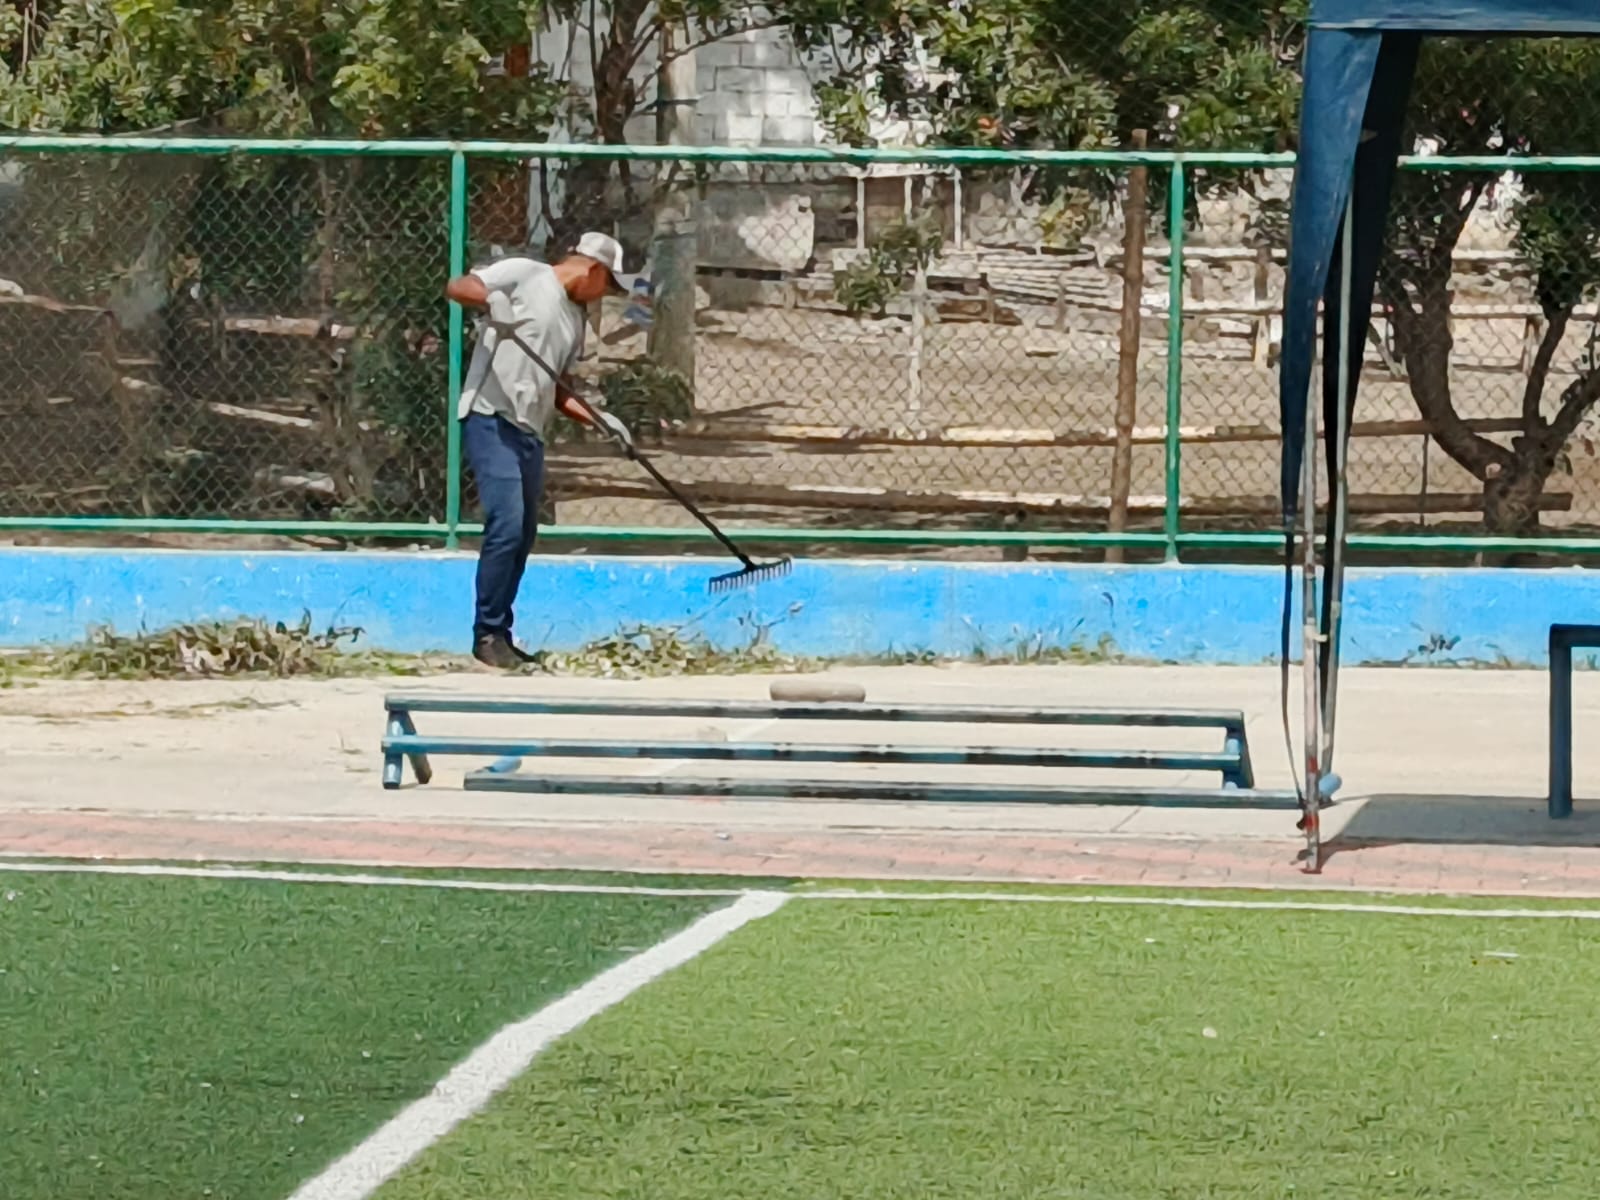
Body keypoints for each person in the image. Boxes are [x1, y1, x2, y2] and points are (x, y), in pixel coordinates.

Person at [444, 231, 636, 670]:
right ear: (592, 269)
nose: (603, 295)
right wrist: (492, 301)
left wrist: (602, 420)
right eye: (607, 284)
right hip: (490, 416)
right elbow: (458, 286)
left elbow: (559, 389)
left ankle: (501, 634)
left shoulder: (575, 322)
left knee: (524, 533)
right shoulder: (526, 273)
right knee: (507, 523)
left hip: (530, 431)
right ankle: (486, 634)